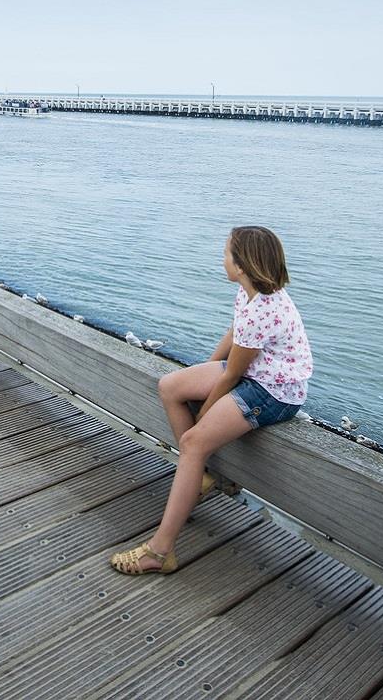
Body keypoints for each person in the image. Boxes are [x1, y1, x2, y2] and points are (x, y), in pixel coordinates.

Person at [109, 226, 313, 575]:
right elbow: (234, 336)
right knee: (171, 386)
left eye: (226, 255)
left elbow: (233, 375)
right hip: (254, 369)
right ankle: (200, 476)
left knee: (193, 441)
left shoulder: (263, 310)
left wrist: (205, 412)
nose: (222, 260)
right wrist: (203, 369)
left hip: (275, 391)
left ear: (243, 265)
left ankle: (159, 552)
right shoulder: (248, 293)